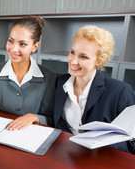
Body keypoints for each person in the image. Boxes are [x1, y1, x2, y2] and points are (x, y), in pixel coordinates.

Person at [54, 25, 135, 153]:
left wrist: (104, 142)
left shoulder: (120, 92)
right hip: (65, 153)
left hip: (101, 160)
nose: (73, 61)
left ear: (99, 61)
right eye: (72, 52)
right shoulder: (60, 83)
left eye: (83, 57)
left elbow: (132, 143)